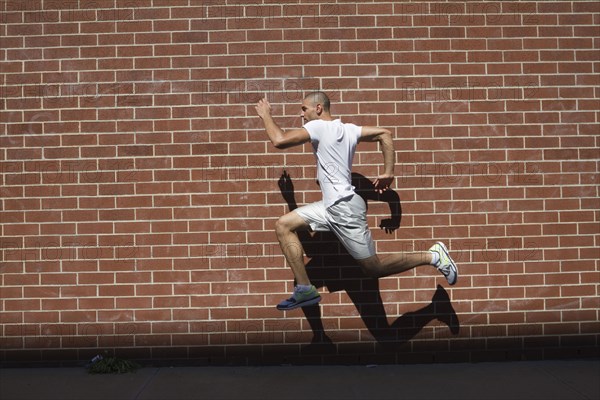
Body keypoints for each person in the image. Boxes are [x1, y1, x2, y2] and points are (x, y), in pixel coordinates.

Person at [255, 92, 457, 311]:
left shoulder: (319, 127)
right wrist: (388, 173)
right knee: (284, 225)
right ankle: (305, 289)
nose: (301, 114)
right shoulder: (348, 129)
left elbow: (279, 140)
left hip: (344, 208)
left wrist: (265, 115)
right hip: (330, 207)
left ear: (319, 108)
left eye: (304, 109)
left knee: (373, 268)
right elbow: (384, 134)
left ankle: (433, 255)